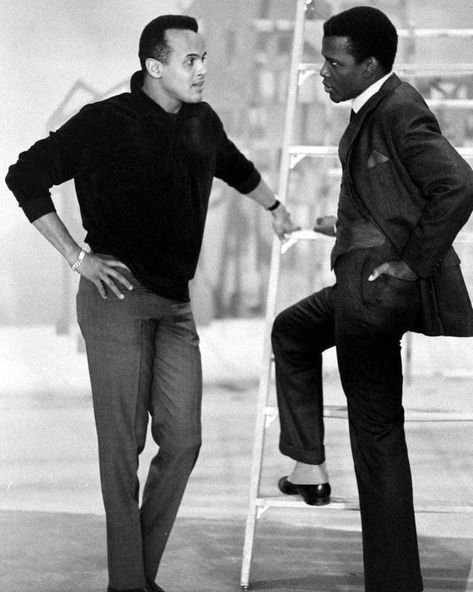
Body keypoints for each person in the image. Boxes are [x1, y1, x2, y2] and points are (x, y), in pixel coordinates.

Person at [5, 14, 298, 592]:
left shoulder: (202, 122)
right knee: (122, 452)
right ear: (154, 67)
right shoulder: (104, 121)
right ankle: (131, 584)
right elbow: (25, 175)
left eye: (205, 58)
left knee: (184, 441)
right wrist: (76, 257)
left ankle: (132, 577)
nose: (204, 69)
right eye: (191, 60)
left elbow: (236, 169)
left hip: (174, 306)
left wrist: (277, 210)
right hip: (115, 301)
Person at [272, 6, 473, 592]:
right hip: (363, 283)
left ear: (371, 65)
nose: (322, 72)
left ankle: (393, 583)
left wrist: (411, 265)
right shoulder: (375, 108)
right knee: (293, 330)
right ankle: (308, 462)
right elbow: (398, 191)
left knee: (378, 434)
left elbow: (457, 185)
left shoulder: (399, 109)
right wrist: (348, 225)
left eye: (334, 63)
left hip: (375, 293)